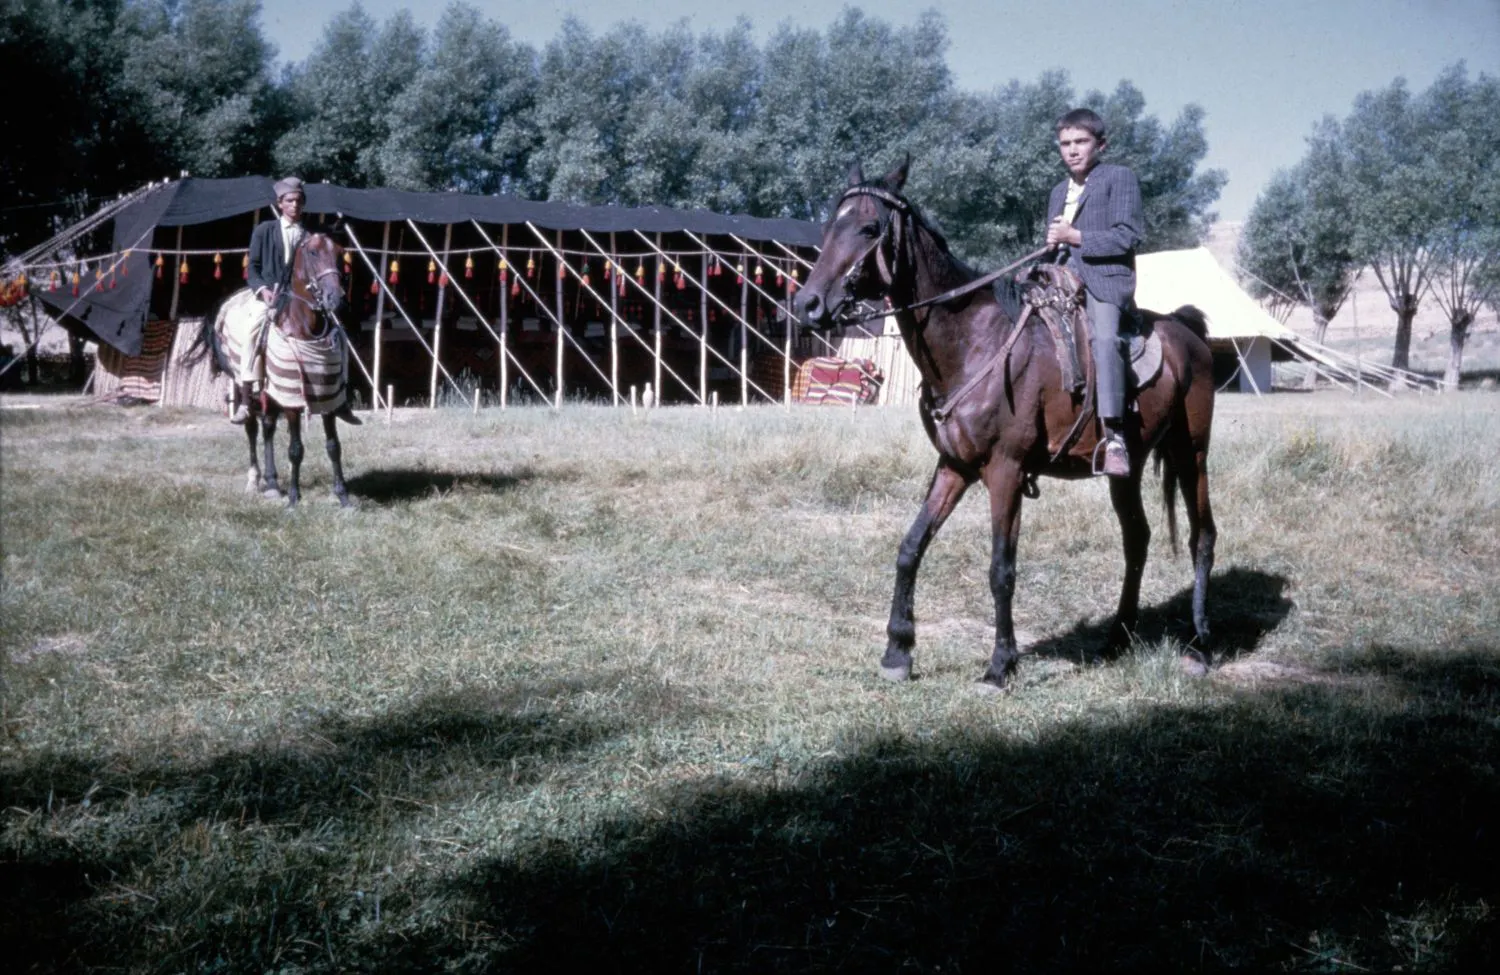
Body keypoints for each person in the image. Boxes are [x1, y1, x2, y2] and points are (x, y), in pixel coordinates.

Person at [1044, 108, 1143, 477]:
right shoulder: (1057, 192)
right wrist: (1051, 244)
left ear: (1100, 144)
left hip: (1104, 280)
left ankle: (1114, 436)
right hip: (1059, 279)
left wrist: (1076, 237)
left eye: (1081, 142)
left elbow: (1127, 236)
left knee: (1104, 339)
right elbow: (1055, 243)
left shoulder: (1119, 178)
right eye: (1065, 143)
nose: (1072, 150)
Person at [233, 176, 307, 423]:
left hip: (298, 299)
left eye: (298, 201)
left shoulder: (308, 235)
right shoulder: (265, 230)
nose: (294, 205)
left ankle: (329, 396)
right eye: (290, 201)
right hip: (270, 297)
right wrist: (262, 289)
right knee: (252, 332)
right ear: (280, 203)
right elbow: (252, 268)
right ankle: (245, 400)